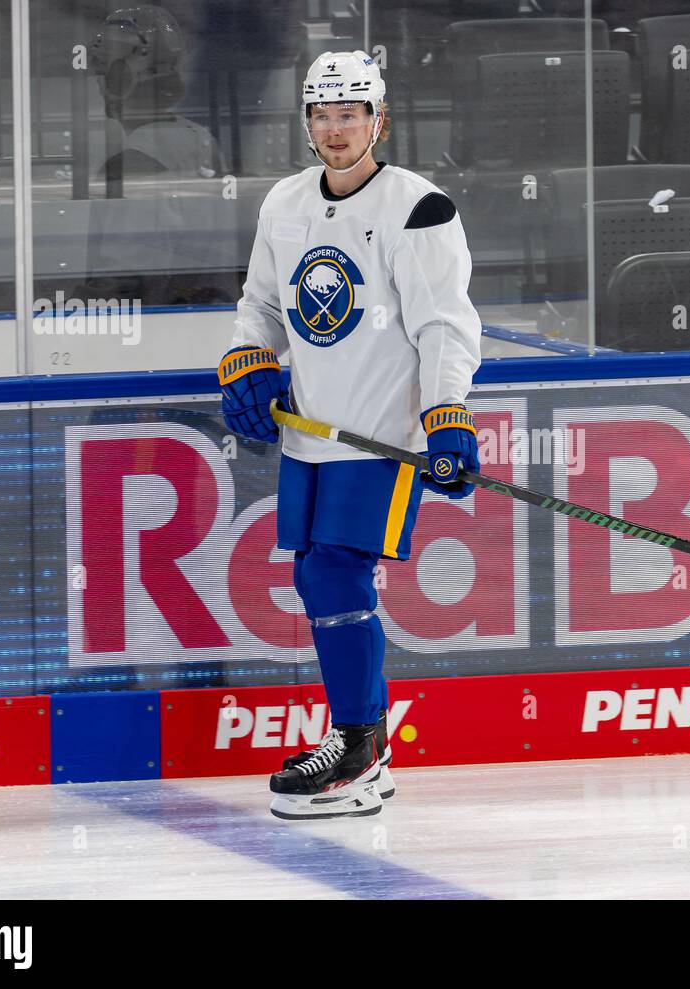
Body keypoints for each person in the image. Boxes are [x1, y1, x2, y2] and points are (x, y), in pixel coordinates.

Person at [218, 51, 482, 820]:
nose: (336, 130)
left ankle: (360, 748)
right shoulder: (285, 203)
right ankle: (364, 745)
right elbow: (261, 305)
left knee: (334, 574)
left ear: (379, 119)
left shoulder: (418, 208)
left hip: (381, 434)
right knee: (315, 577)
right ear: (307, 122)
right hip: (310, 431)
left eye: (352, 114)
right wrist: (248, 364)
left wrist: (448, 414)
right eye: (323, 115)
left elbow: (445, 327)